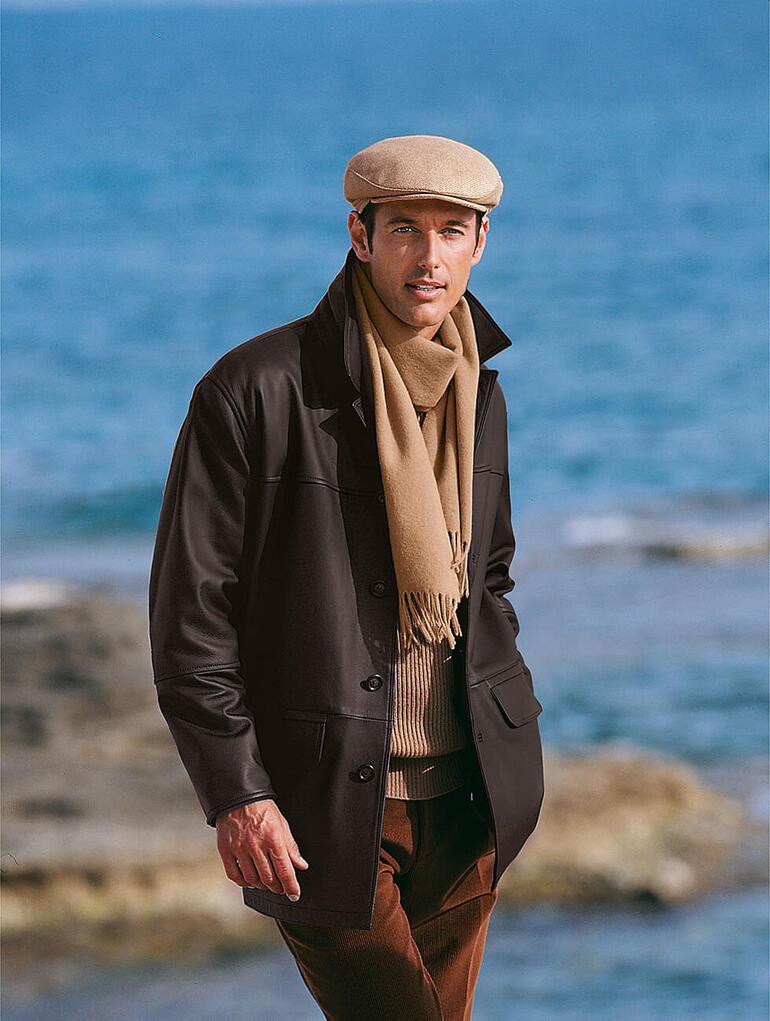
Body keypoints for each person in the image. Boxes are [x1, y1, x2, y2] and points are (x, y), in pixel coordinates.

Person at [148, 134, 544, 1020]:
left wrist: (505, 704)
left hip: (469, 795)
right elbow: (192, 615)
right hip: (324, 804)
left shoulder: (482, 389)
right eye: (405, 229)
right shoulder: (255, 389)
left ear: (481, 244)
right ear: (360, 237)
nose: (429, 257)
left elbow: (492, 574)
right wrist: (238, 791)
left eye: (452, 232)